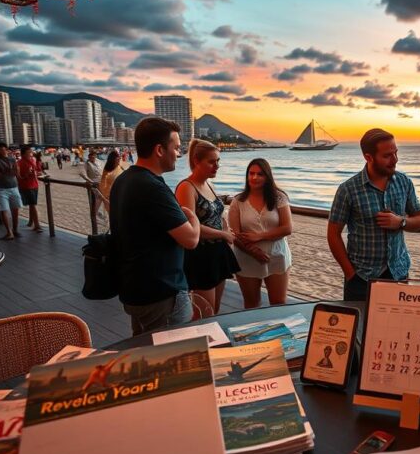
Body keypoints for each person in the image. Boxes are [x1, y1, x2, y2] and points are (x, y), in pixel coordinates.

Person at [110, 117, 200, 335]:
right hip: (161, 293)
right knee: (174, 358)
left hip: (135, 289)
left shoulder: (123, 180)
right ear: (160, 149)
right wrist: (194, 218)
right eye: (176, 148)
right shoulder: (152, 188)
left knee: (147, 356)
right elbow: (190, 239)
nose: (179, 154)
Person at [328, 129, 420, 302]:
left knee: (397, 326)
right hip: (362, 279)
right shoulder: (348, 189)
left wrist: (400, 222)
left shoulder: (404, 182)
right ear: (368, 157)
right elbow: (333, 234)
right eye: (387, 155)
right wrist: (350, 273)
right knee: (361, 327)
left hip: (398, 273)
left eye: (395, 153)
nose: (395, 159)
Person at [175, 139, 239, 318]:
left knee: (215, 309)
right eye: (211, 161)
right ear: (196, 161)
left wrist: (226, 230)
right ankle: (199, 344)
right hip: (200, 255)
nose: (216, 166)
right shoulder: (186, 188)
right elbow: (189, 225)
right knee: (204, 313)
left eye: (218, 161)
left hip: (217, 252)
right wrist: (223, 234)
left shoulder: (209, 185)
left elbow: (217, 214)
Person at [229, 158, 293, 309]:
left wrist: (259, 236)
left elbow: (287, 228)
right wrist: (253, 251)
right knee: (251, 305)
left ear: (267, 177)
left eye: (260, 174)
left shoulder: (279, 197)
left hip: (277, 255)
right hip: (246, 258)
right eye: (251, 173)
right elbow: (234, 234)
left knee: (278, 303)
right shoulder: (238, 201)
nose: (254, 177)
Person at [0, 142, 23, 240]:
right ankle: (9, 232)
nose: (3, 152)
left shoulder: (12, 159)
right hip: (1, 188)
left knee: (15, 209)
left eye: (4, 150)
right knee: (4, 210)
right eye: (1, 150)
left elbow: (16, 172)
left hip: (13, 186)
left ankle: (15, 230)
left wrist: (10, 172)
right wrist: (9, 171)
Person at [17, 145, 44, 233]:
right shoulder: (19, 163)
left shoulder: (33, 160)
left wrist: (38, 173)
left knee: (32, 204)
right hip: (26, 186)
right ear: (23, 154)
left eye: (31, 152)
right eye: (29, 152)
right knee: (32, 204)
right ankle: (37, 225)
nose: (31, 154)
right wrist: (27, 174)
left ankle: (32, 223)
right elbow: (19, 177)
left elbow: (36, 171)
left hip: (34, 184)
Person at [82, 149, 105, 221]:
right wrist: (90, 181)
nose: (92, 157)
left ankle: (96, 213)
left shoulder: (99, 161)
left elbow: (103, 171)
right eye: (91, 156)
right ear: (88, 156)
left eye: (94, 156)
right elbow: (83, 174)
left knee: (100, 198)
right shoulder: (86, 164)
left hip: (100, 183)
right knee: (95, 199)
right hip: (92, 184)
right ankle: (94, 215)